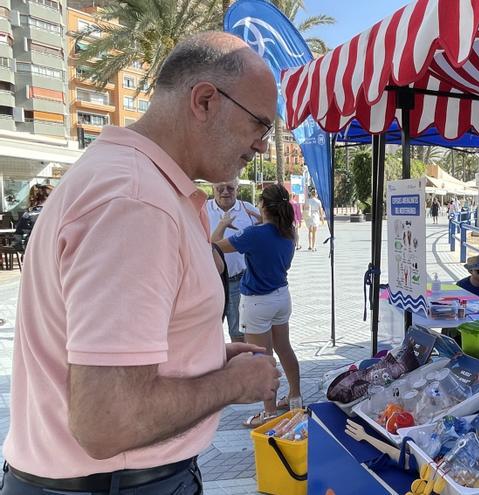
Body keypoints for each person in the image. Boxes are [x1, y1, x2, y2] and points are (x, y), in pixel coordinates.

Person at [1, 33, 282, 494]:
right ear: (206, 101)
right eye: (259, 125)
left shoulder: (129, 181)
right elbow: (108, 421)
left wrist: (204, 359)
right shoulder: (136, 202)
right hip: (115, 485)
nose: (262, 147)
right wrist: (231, 385)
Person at [213, 183, 301, 427]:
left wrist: (222, 223)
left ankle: (270, 413)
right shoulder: (289, 232)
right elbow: (269, 242)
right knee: (285, 349)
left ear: (263, 206)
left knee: (262, 357)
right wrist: (261, 221)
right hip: (281, 296)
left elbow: (214, 245)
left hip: (257, 301)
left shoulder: (254, 235)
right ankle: (295, 398)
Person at [205, 178, 260, 342]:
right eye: (220, 188)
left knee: (239, 334)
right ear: (212, 187)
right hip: (210, 282)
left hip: (239, 281)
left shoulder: (248, 209)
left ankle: (240, 365)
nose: (225, 192)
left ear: (237, 187)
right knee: (208, 333)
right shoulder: (202, 209)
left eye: (230, 187)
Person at [13, 183, 53, 252]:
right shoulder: (57, 214)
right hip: (53, 250)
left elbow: (18, 236)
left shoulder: (29, 214)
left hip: (33, 250)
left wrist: (23, 250)